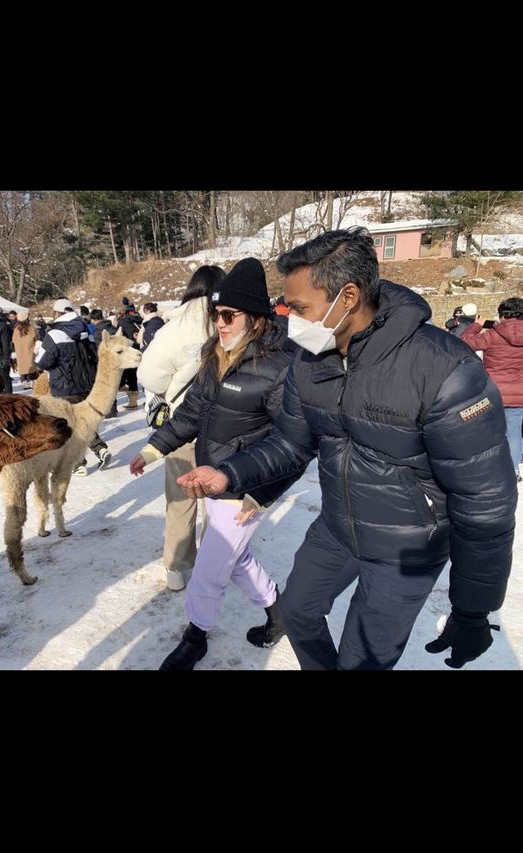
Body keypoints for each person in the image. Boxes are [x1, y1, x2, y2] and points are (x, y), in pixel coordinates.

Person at [177, 228, 517, 671]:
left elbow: (486, 501)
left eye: (298, 308)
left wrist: (473, 609)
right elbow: (290, 440)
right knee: (297, 612)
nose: (288, 318)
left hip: (407, 546)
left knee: (362, 660)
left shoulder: (443, 370)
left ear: (348, 297)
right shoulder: (310, 359)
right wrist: (230, 473)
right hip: (337, 528)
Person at [130, 257, 299, 670]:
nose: (219, 323)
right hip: (210, 477)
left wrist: (260, 496)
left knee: (211, 563)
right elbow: (191, 412)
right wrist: (154, 448)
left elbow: (293, 444)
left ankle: (195, 635)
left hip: (246, 486)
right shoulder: (215, 352)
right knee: (234, 558)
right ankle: (279, 612)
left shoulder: (279, 366)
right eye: (215, 314)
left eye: (228, 315)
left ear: (256, 317)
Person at [136, 265, 225, 591]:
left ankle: (176, 566)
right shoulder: (230, 319)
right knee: (217, 501)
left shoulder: (173, 328)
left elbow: (149, 377)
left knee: (180, 498)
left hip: (182, 426)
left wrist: (171, 389)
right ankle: (214, 564)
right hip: (225, 426)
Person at [36, 297, 111, 473]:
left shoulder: (54, 334)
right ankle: (100, 449)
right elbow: (94, 355)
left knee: (69, 426)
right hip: (85, 385)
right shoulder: (86, 330)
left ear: (57, 313)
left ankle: (78, 464)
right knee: (83, 421)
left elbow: (43, 362)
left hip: (64, 388)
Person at [459, 297, 523, 482]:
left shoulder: (493, 334)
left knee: (489, 431)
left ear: (502, 314)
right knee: (514, 432)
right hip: (519, 393)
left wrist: (476, 325)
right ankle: (513, 471)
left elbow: (464, 341)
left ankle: (487, 468)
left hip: (494, 391)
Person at [13, 310, 39, 388]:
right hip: (31, 353)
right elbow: (37, 339)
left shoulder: (16, 330)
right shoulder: (31, 328)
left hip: (20, 355)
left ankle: (24, 381)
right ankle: (32, 382)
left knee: (23, 368)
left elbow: (13, 341)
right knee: (31, 368)